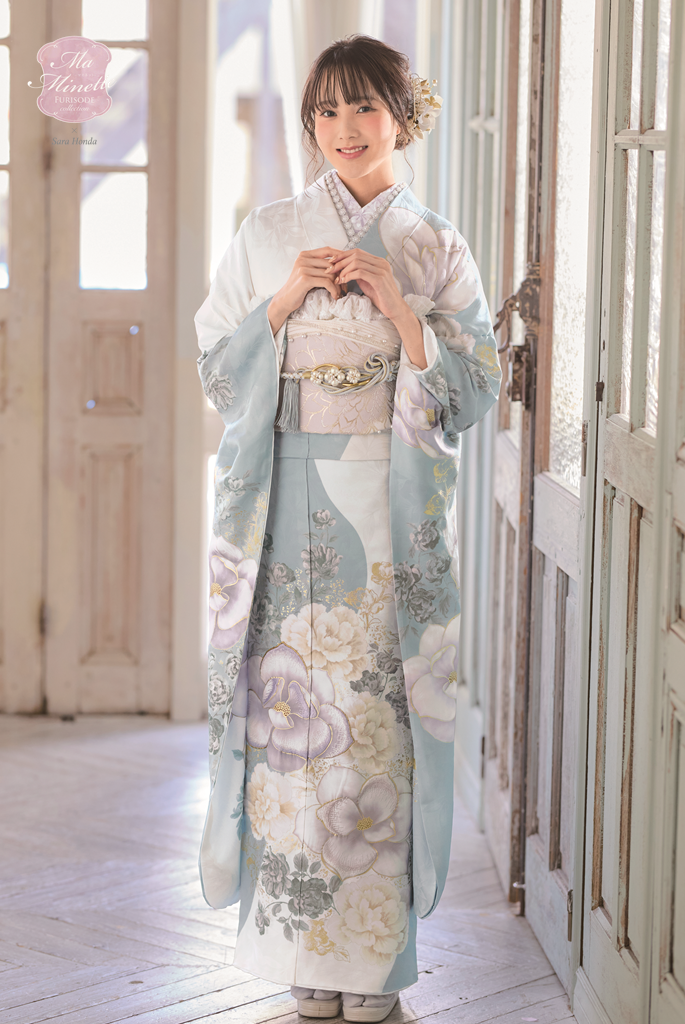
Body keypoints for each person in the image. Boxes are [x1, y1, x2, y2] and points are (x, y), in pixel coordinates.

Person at [194, 34, 502, 1024]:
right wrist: (286, 297)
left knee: (371, 729)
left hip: (385, 509)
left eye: (364, 107)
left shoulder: (435, 244)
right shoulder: (268, 233)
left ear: (402, 117)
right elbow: (215, 371)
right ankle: (300, 957)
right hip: (283, 510)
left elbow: (477, 384)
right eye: (325, 111)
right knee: (288, 731)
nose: (344, 129)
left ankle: (370, 965)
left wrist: (403, 314)